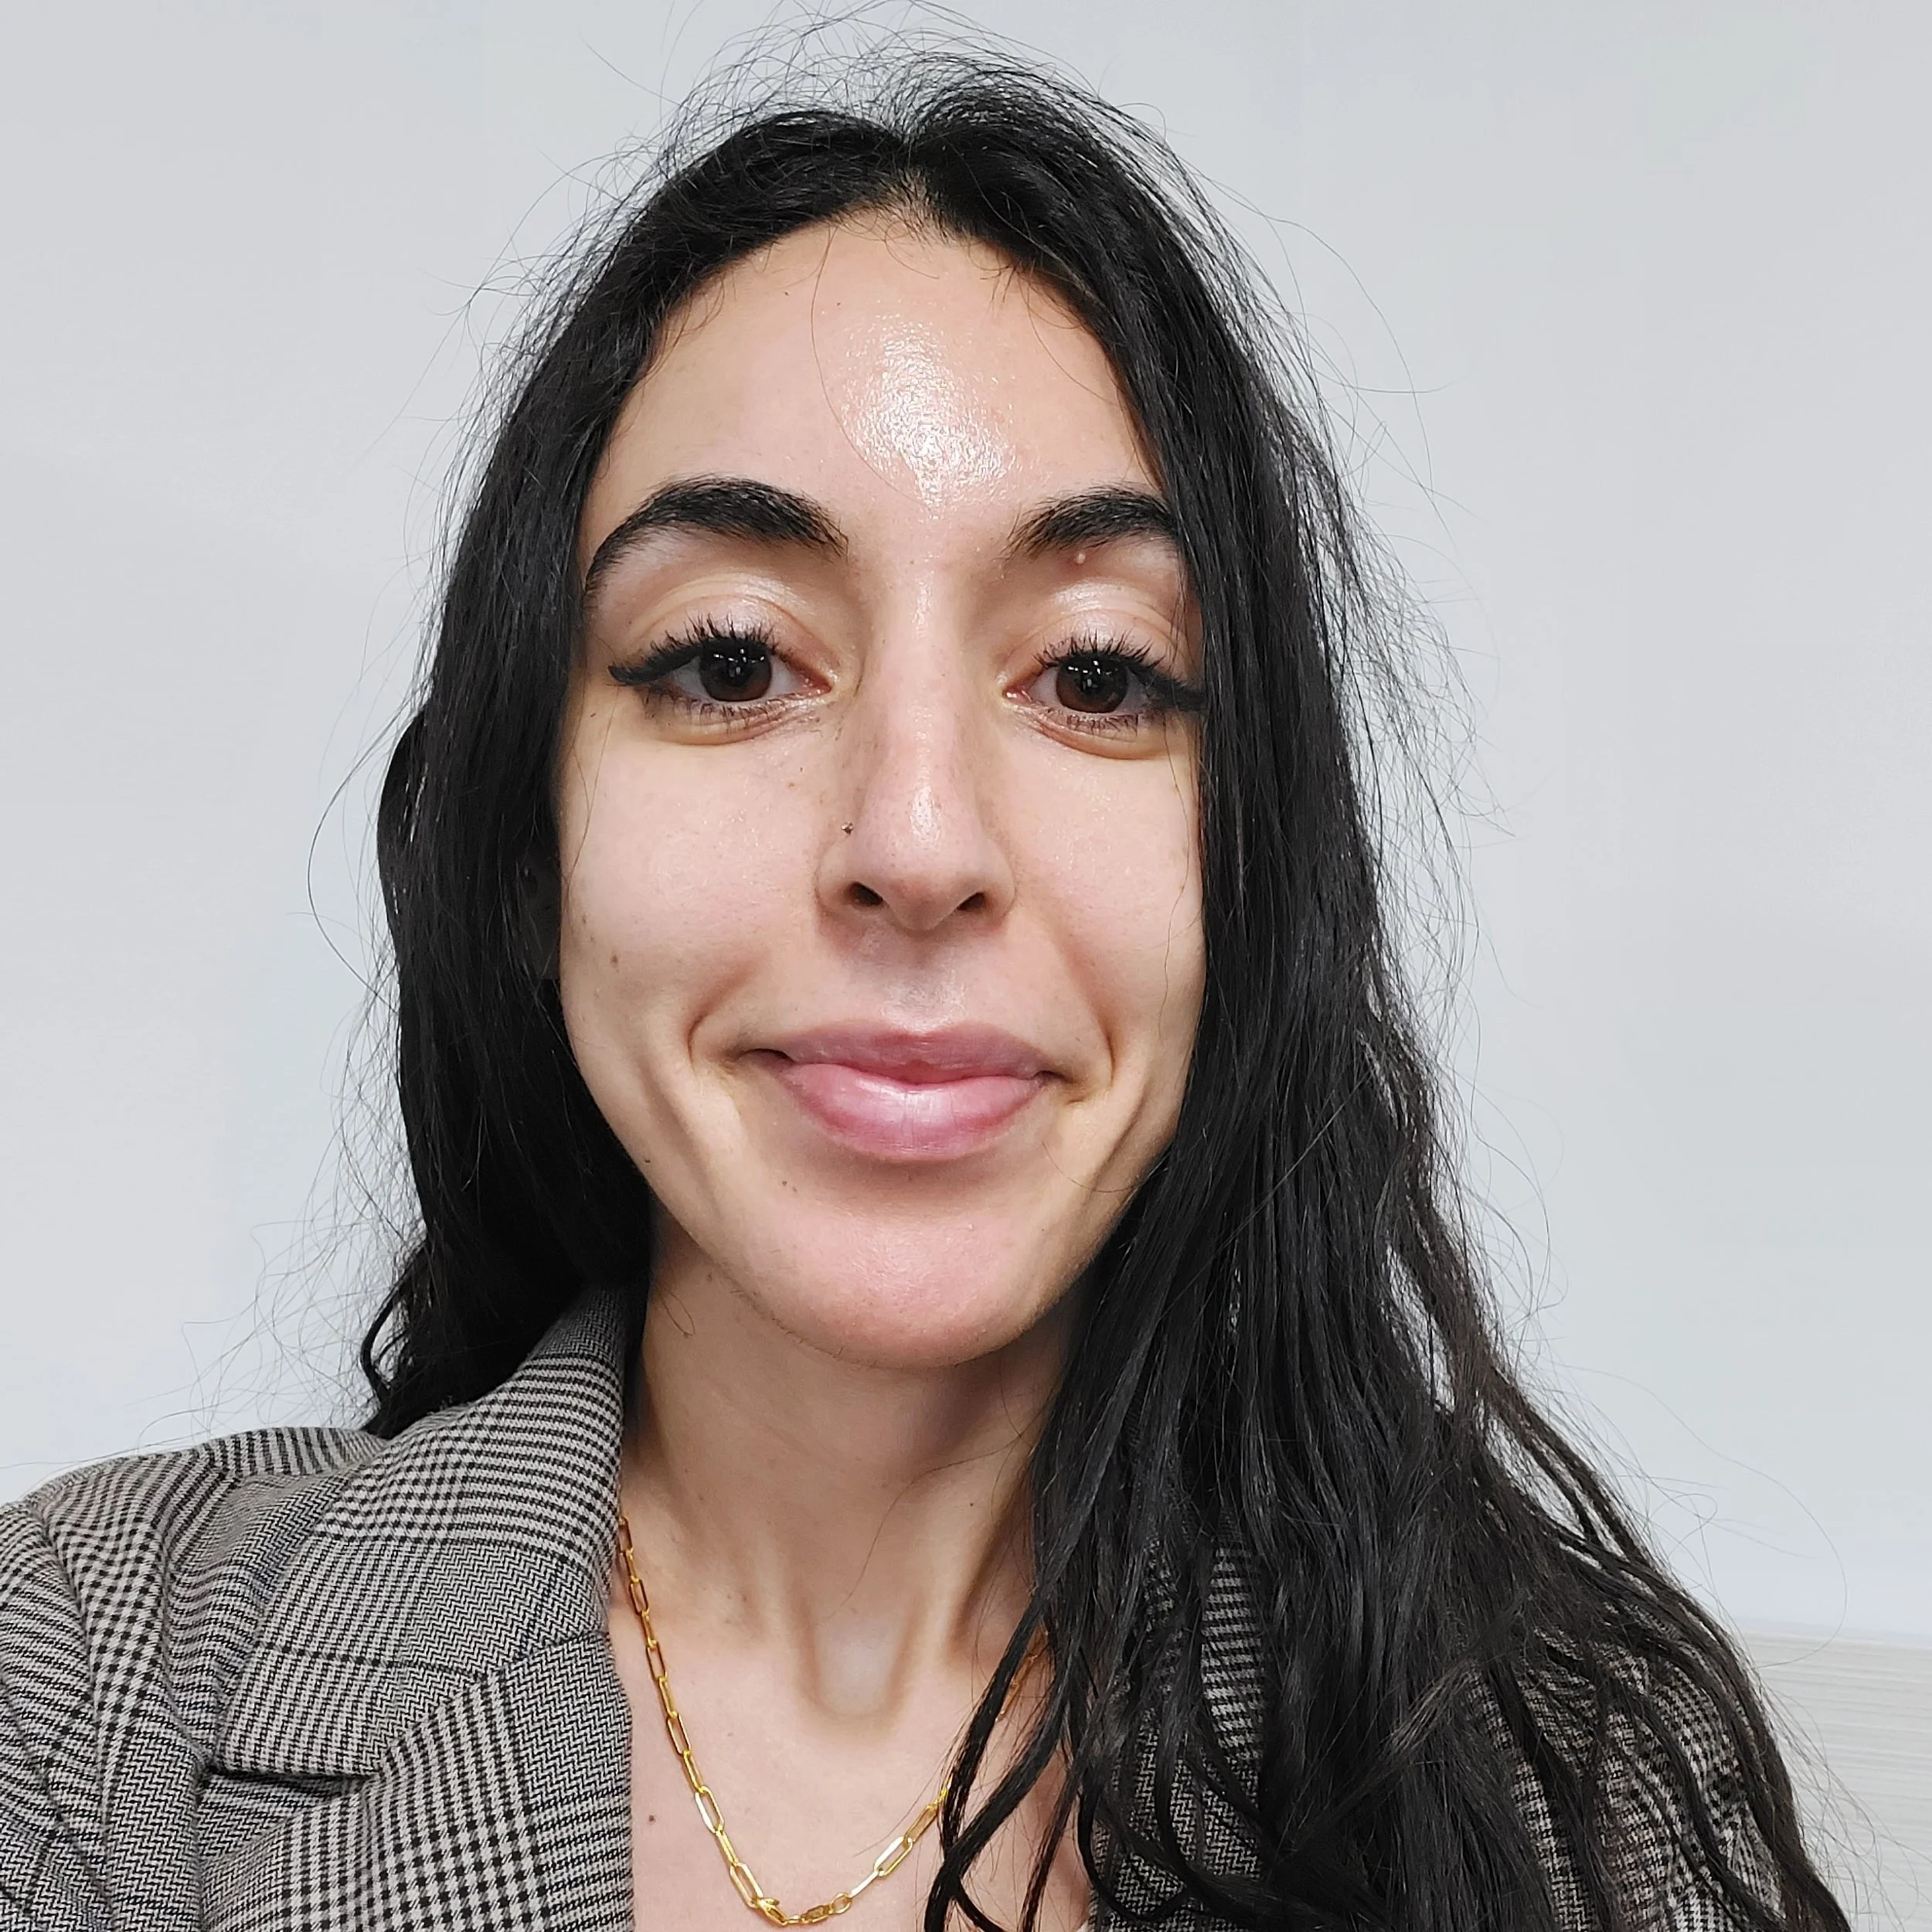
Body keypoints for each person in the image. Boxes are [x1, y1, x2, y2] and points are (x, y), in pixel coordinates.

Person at [0, 50, 1845, 1932]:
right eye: (726, 660)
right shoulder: (80, 1680)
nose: (916, 833)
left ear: (1252, 877)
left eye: (1102, 677)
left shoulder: (1575, 1789)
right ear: (524, 857)